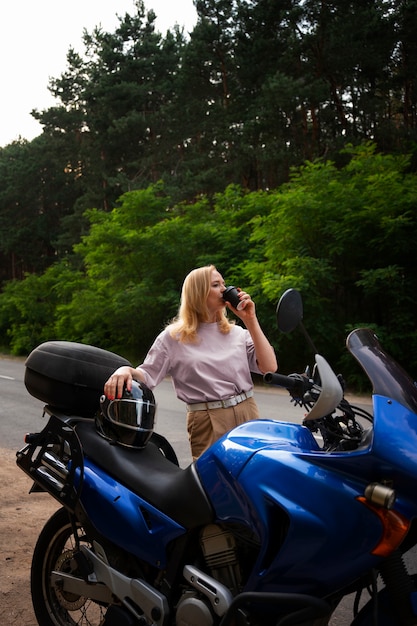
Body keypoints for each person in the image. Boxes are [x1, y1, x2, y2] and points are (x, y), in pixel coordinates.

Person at [104, 265, 278, 460]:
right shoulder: (173, 338)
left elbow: (269, 367)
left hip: (247, 412)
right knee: (215, 484)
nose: (224, 289)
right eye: (215, 284)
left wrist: (251, 320)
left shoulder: (237, 333)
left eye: (223, 284)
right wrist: (125, 370)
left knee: (252, 478)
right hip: (207, 419)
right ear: (198, 292)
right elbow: (148, 375)